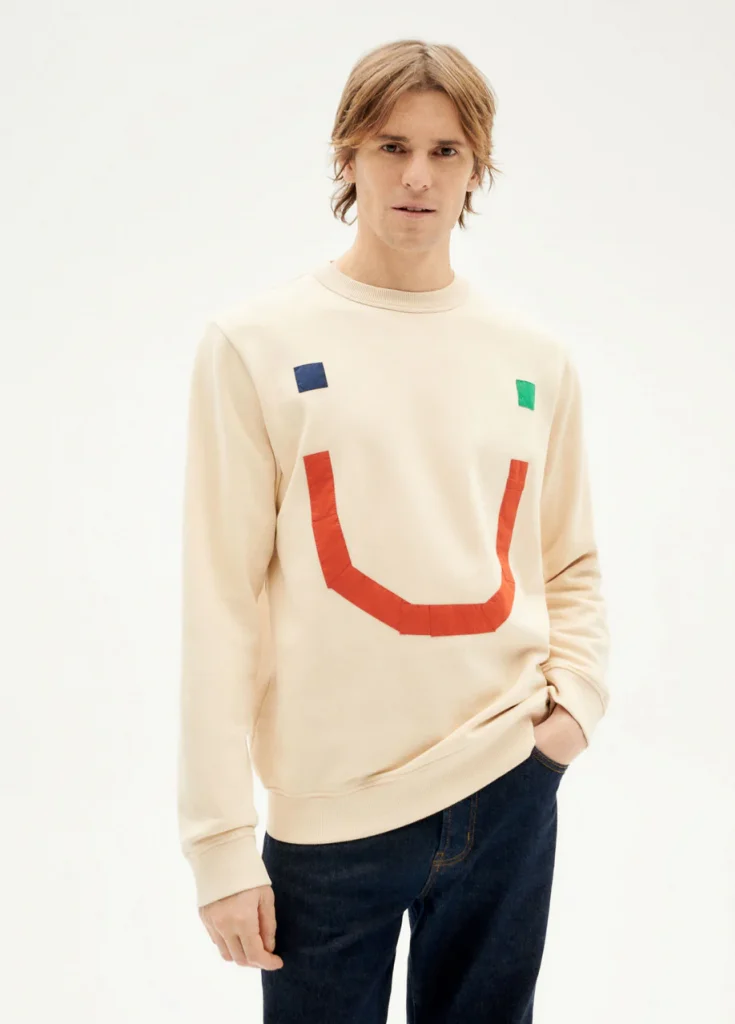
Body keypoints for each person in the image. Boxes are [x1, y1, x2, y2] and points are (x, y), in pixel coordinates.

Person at [177, 37, 611, 1024]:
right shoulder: (255, 345)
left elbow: (569, 559)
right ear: (348, 156)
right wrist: (219, 845)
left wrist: (572, 711)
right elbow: (220, 601)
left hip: (508, 785)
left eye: (445, 150)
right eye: (390, 146)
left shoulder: (534, 359)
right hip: (333, 819)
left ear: (476, 166)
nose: (418, 175)